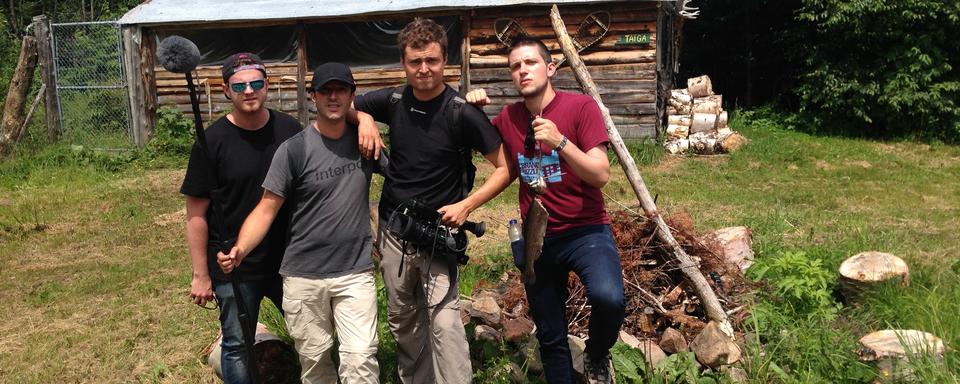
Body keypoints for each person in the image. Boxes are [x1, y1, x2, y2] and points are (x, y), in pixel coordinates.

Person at [352, 17, 512, 384]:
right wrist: (364, 118)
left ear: (445, 62)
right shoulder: (392, 101)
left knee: (445, 324)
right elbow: (346, 104)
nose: (424, 69)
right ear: (404, 63)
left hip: (440, 232)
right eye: (415, 61)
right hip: (394, 229)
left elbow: (505, 168)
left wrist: (466, 206)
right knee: (404, 319)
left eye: (432, 61)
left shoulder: (462, 111)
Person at [466, 37, 626, 384]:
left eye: (531, 63)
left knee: (609, 298)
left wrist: (561, 142)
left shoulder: (580, 108)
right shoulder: (509, 118)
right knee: (551, 334)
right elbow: (477, 143)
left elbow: (600, 175)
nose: (522, 70)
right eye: (515, 66)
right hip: (538, 238)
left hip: (586, 231)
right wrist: (471, 108)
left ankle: (597, 354)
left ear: (550, 68)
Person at [218, 63, 382, 384]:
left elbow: (408, 175)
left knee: (360, 358)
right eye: (325, 91)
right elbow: (267, 208)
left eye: (341, 90)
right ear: (312, 96)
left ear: (352, 94)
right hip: (303, 276)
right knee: (315, 362)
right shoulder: (293, 150)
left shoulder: (365, 143)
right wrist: (240, 248)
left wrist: (366, 118)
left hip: (355, 273)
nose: (333, 97)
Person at [181, 52, 303, 384]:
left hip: (288, 261)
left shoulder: (290, 130)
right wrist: (200, 275)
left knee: (309, 336)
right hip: (233, 264)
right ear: (226, 90)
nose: (249, 91)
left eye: (256, 83)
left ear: (267, 85)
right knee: (236, 344)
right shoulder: (212, 141)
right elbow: (195, 213)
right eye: (239, 86)